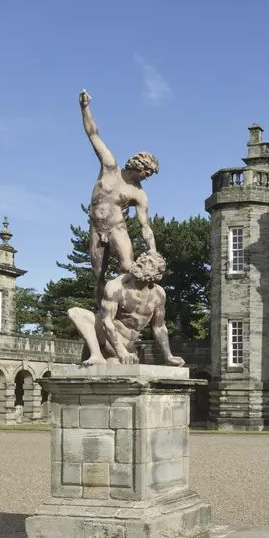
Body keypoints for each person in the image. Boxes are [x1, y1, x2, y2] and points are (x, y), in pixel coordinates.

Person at [79, 89, 159, 306]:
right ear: (138, 166)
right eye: (147, 173)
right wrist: (85, 108)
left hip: (117, 228)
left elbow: (145, 226)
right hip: (96, 227)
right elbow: (93, 134)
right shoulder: (109, 167)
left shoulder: (139, 194)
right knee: (98, 275)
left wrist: (152, 249)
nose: (148, 177)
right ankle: (102, 313)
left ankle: (133, 305)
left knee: (128, 267)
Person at [67, 250, 185, 367]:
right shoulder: (117, 286)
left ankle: (112, 357)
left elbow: (158, 327)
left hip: (129, 346)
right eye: (142, 259)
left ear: (157, 274)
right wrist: (121, 352)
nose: (143, 262)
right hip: (108, 340)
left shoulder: (158, 294)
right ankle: (97, 355)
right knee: (75, 312)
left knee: (114, 367)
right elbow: (106, 322)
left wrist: (168, 356)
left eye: (150, 263)